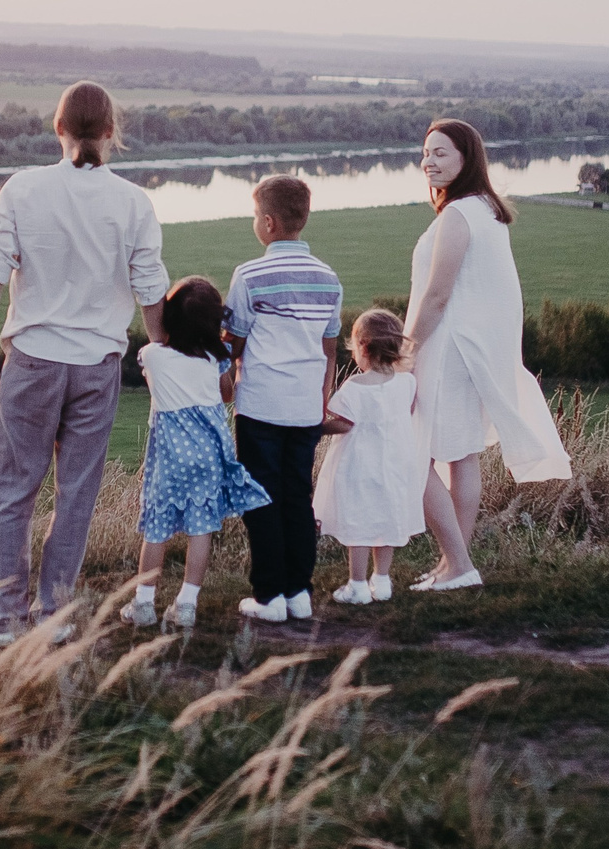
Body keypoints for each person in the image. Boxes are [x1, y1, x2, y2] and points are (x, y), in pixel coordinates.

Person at [0, 81, 167, 647]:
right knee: (76, 493)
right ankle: (54, 614)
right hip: (98, 366)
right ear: (110, 133)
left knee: (11, 491)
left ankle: (3, 620)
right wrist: (161, 360)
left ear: (58, 129)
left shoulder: (22, 190)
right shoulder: (133, 202)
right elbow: (152, 292)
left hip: (31, 362)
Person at [404, 118, 571, 592]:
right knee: (460, 456)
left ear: (466, 158)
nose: (428, 162)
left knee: (411, 452)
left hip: (448, 350)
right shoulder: (486, 211)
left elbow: (436, 296)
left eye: (440, 153)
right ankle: (455, 563)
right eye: (425, 153)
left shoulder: (459, 216)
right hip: (470, 353)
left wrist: (403, 355)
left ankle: (457, 563)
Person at [224, 175, 344, 625]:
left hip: (259, 407)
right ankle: (299, 592)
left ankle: (269, 594)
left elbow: (234, 340)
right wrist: (323, 399)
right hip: (304, 409)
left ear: (269, 223)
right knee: (297, 495)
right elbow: (329, 348)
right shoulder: (329, 279)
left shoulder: (249, 275)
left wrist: (224, 368)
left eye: (256, 215)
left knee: (261, 497)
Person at [126, 276, 269, 629]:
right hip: (207, 456)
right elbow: (227, 395)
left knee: (157, 529)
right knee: (200, 529)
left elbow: (156, 353)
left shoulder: (152, 356)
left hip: (169, 457)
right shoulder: (214, 360)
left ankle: (144, 603)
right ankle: (187, 603)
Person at [313, 307, 422, 605]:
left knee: (359, 523)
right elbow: (406, 412)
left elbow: (344, 423)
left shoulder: (355, 388)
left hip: (359, 466)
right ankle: (382, 580)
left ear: (362, 347)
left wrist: (315, 430)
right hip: (395, 465)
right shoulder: (407, 382)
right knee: (386, 521)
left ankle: (358, 585)